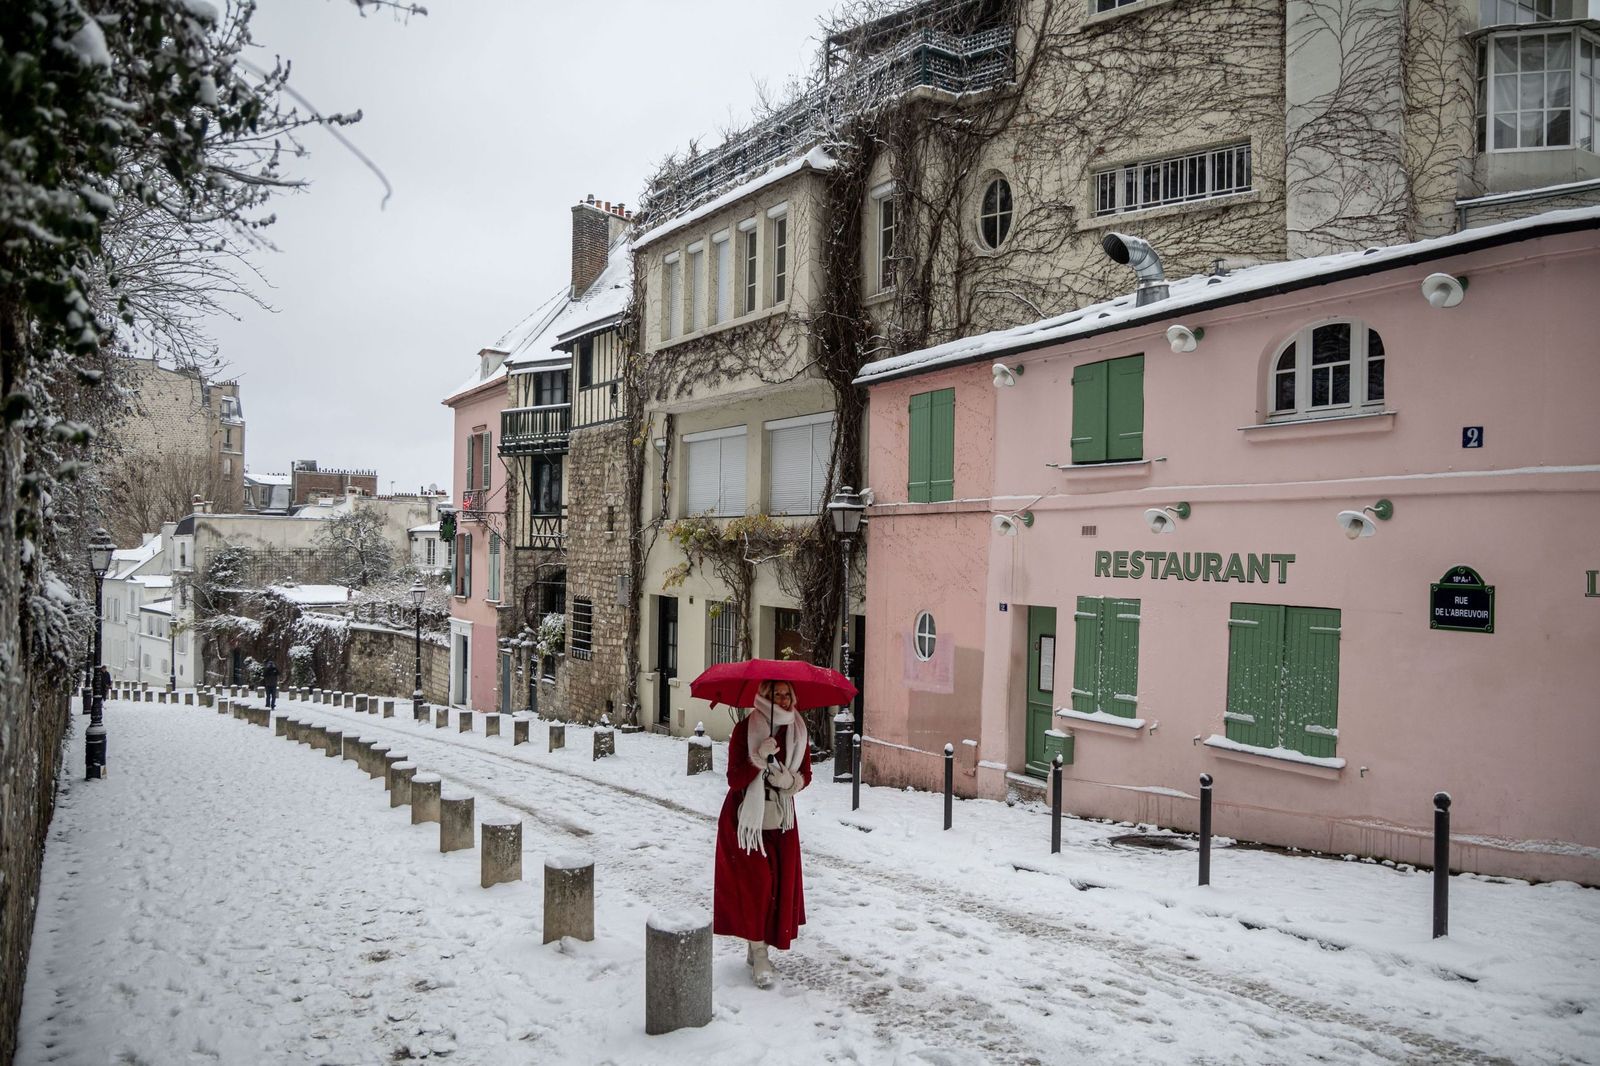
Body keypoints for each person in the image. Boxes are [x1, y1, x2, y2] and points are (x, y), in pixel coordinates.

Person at [713, 679, 811, 989]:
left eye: (787, 694)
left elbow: (805, 774)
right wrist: (758, 757)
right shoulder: (745, 729)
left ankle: (756, 945)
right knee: (757, 884)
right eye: (777, 694)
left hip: (781, 821)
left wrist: (790, 781)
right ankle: (759, 952)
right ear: (764, 697)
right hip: (746, 821)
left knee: (777, 885)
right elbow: (734, 777)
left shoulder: (798, 729)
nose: (783, 700)